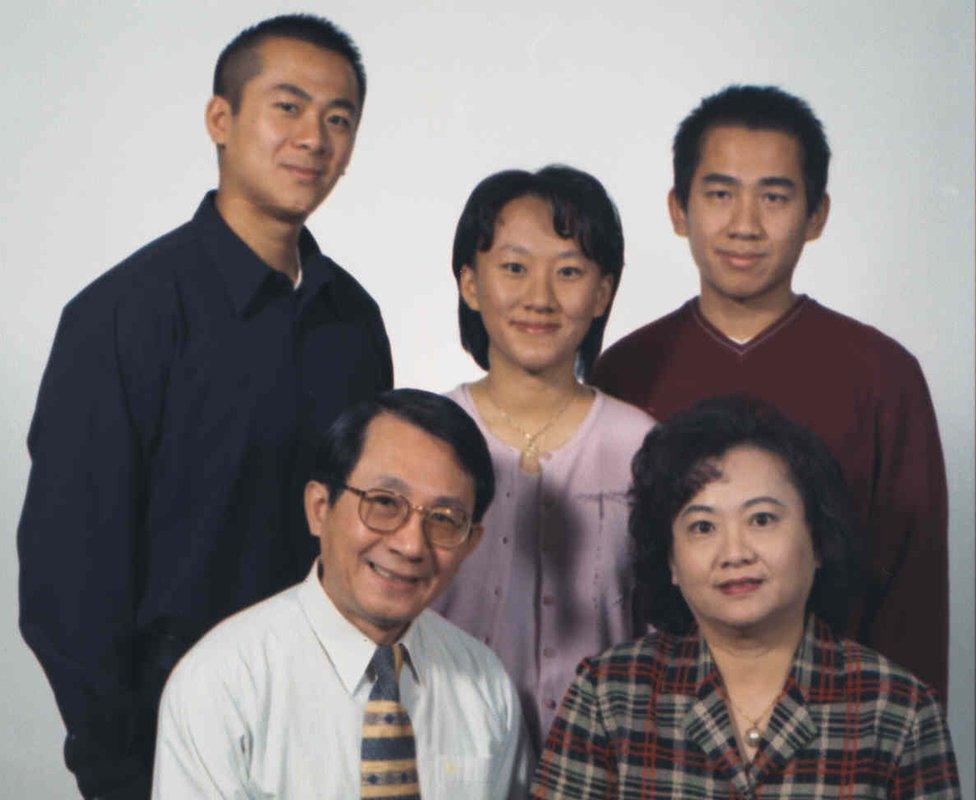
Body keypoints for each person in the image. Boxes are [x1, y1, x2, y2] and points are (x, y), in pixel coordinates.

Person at [18, 14, 392, 799]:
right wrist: (120, 765)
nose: (314, 139)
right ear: (221, 119)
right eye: (287, 107)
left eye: (339, 118)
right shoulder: (123, 317)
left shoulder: (353, 322)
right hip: (163, 745)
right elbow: (67, 578)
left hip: (332, 733)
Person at [591, 85, 948, 697]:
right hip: (661, 730)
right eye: (720, 194)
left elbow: (912, 595)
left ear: (817, 215)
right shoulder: (624, 371)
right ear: (679, 209)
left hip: (841, 728)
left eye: (774, 197)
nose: (745, 225)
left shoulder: (883, 374)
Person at [531, 395, 960, 799]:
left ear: (819, 540)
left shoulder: (898, 709)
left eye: (761, 519)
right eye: (703, 527)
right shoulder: (609, 694)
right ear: (671, 562)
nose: (734, 553)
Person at [152, 389, 528, 798]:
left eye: (443, 519)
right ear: (319, 508)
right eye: (384, 503)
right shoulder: (222, 683)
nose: (411, 546)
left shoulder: (486, 683)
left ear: (471, 542)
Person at [431, 166, 655, 755]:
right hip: (446, 754)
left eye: (570, 271)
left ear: (603, 292)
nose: (540, 297)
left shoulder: (641, 446)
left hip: (611, 760)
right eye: (514, 267)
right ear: (471, 284)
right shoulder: (424, 437)